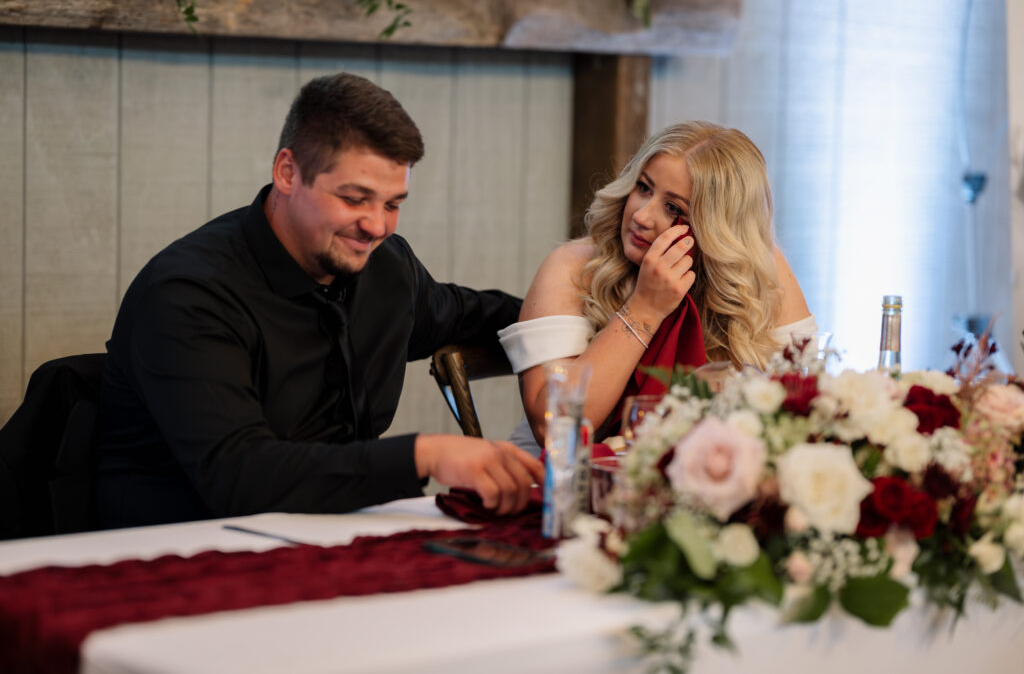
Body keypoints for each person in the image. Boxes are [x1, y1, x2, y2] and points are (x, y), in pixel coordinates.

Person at [96, 72, 543, 529]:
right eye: (355, 199)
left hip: (336, 533)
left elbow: (487, 317)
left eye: (392, 204)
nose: (377, 227)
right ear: (287, 173)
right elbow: (240, 477)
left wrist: (581, 323)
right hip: (176, 543)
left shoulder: (387, 269)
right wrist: (423, 455)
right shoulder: (189, 293)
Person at [499, 121, 815, 449]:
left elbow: (804, 408)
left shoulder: (761, 271)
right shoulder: (573, 266)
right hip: (557, 474)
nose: (641, 216)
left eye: (673, 208)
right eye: (644, 188)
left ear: (716, 229)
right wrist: (644, 308)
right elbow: (554, 426)